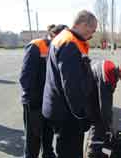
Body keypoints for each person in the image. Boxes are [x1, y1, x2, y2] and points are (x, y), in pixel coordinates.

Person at [42, 11, 97, 158]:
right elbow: (71, 86)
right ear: (84, 25)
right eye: (92, 30)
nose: (92, 35)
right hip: (67, 114)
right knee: (70, 152)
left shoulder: (63, 38)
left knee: (66, 149)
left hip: (59, 109)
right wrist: (81, 115)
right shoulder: (70, 44)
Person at [20, 24, 66, 158]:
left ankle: (48, 154)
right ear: (54, 35)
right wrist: (33, 100)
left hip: (48, 102)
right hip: (34, 102)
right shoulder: (36, 46)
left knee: (48, 135)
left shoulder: (57, 48)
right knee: (33, 139)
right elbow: (25, 78)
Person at [86, 60, 121, 158]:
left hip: (90, 94)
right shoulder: (108, 76)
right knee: (100, 122)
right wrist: (109, 126)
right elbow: (105, 106)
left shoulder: (111, 69)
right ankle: (93, 152)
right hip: (88, 97)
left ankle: (96, 149)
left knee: (101, 121)